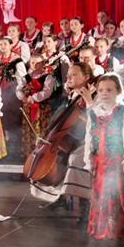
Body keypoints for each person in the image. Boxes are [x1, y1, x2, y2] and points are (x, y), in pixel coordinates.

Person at [29, 62, 96, 222]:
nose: (69, 78)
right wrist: (47, 135)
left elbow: (98, 120)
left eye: (73, 75)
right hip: (73, 138)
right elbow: (60, 118)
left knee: (76, 159)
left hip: (91, 139)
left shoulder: (94, 95)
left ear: (86, 77)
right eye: (68, 76)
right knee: (53, 157)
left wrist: (87, 103)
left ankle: (86, 204)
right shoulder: (73, 94)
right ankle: (61, 197)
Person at [84, 74, 124, 241]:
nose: (104, 93)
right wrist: (88, 159)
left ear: (118, 91)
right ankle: (101, 227)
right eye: (101, 90)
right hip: (99, 160)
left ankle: (117, 227)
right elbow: (89, 136)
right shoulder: (93, 113)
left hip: (117, 161)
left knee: (116, 192)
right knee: (101, 192)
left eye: (109, 90)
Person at [16, 53, 56, 159]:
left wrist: (33, 97)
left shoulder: (47, 77)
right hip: (28, 107)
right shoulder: (26, 77)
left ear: (43, 64)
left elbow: (47, 92)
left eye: (38, 63)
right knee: (29, 129)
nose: (34, 65)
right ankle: (28, 152)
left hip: (41, 108)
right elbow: (18, 89)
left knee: (41, 128)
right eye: (32, 63)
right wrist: (22, 96)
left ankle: (41, 153)